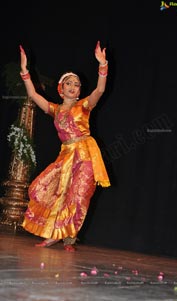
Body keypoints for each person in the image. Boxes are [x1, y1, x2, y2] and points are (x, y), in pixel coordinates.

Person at [20, 41, 111, 252]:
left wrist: (103, 65)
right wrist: (25, 71)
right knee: (49, 190)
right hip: (66, 155)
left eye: (77, 84)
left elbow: (100, 89)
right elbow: (33, 95)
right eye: (69, 83)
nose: (73, 86)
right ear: (62, 89)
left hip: (85, 155)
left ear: (79, 91)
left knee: (79, 195)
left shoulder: (84, 106)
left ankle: (69, 237)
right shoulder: (55, 109)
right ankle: (54, 234)